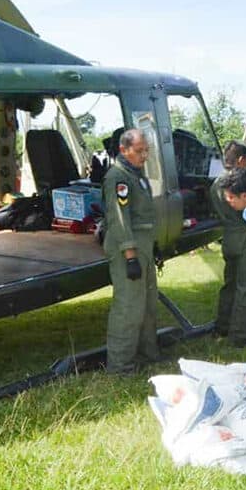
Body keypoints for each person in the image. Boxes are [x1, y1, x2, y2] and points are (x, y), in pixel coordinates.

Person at [102, 129, 160, 374]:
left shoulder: (135, 174)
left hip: (143, 245)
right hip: (129, 246)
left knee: (147, 302)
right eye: (139, 151)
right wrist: (130, 255)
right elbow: (119, 219)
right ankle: (120, 365)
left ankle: (148, 354)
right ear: (123, 150)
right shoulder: (118, 177)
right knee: (128, 306)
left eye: (146, 150)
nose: (144, 155)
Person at [209, 142, 246, 348]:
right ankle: (239, 336)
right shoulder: (240, 183)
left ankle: (221, 327)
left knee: (229, 285)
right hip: (244, 239)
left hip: (228, 237)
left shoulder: (216, 185)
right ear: (241, 160)